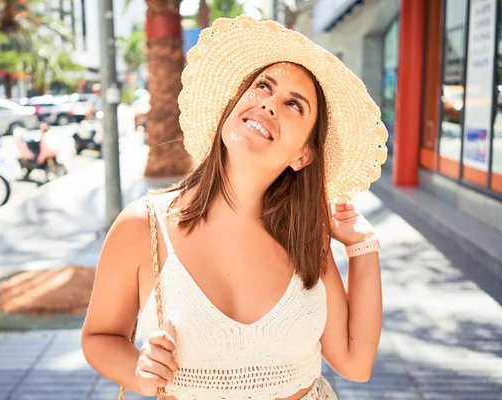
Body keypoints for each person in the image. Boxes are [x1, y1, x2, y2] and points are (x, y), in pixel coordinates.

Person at [82, 15, 388, 400]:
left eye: (294, 104)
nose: (269, 103)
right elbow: (99, 337)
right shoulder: (143, 225)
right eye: (262, 86)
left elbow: (356, 364)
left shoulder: (306, 239)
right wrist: (140, 372)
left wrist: (362, 246)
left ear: (304, 154)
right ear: (234, 103)